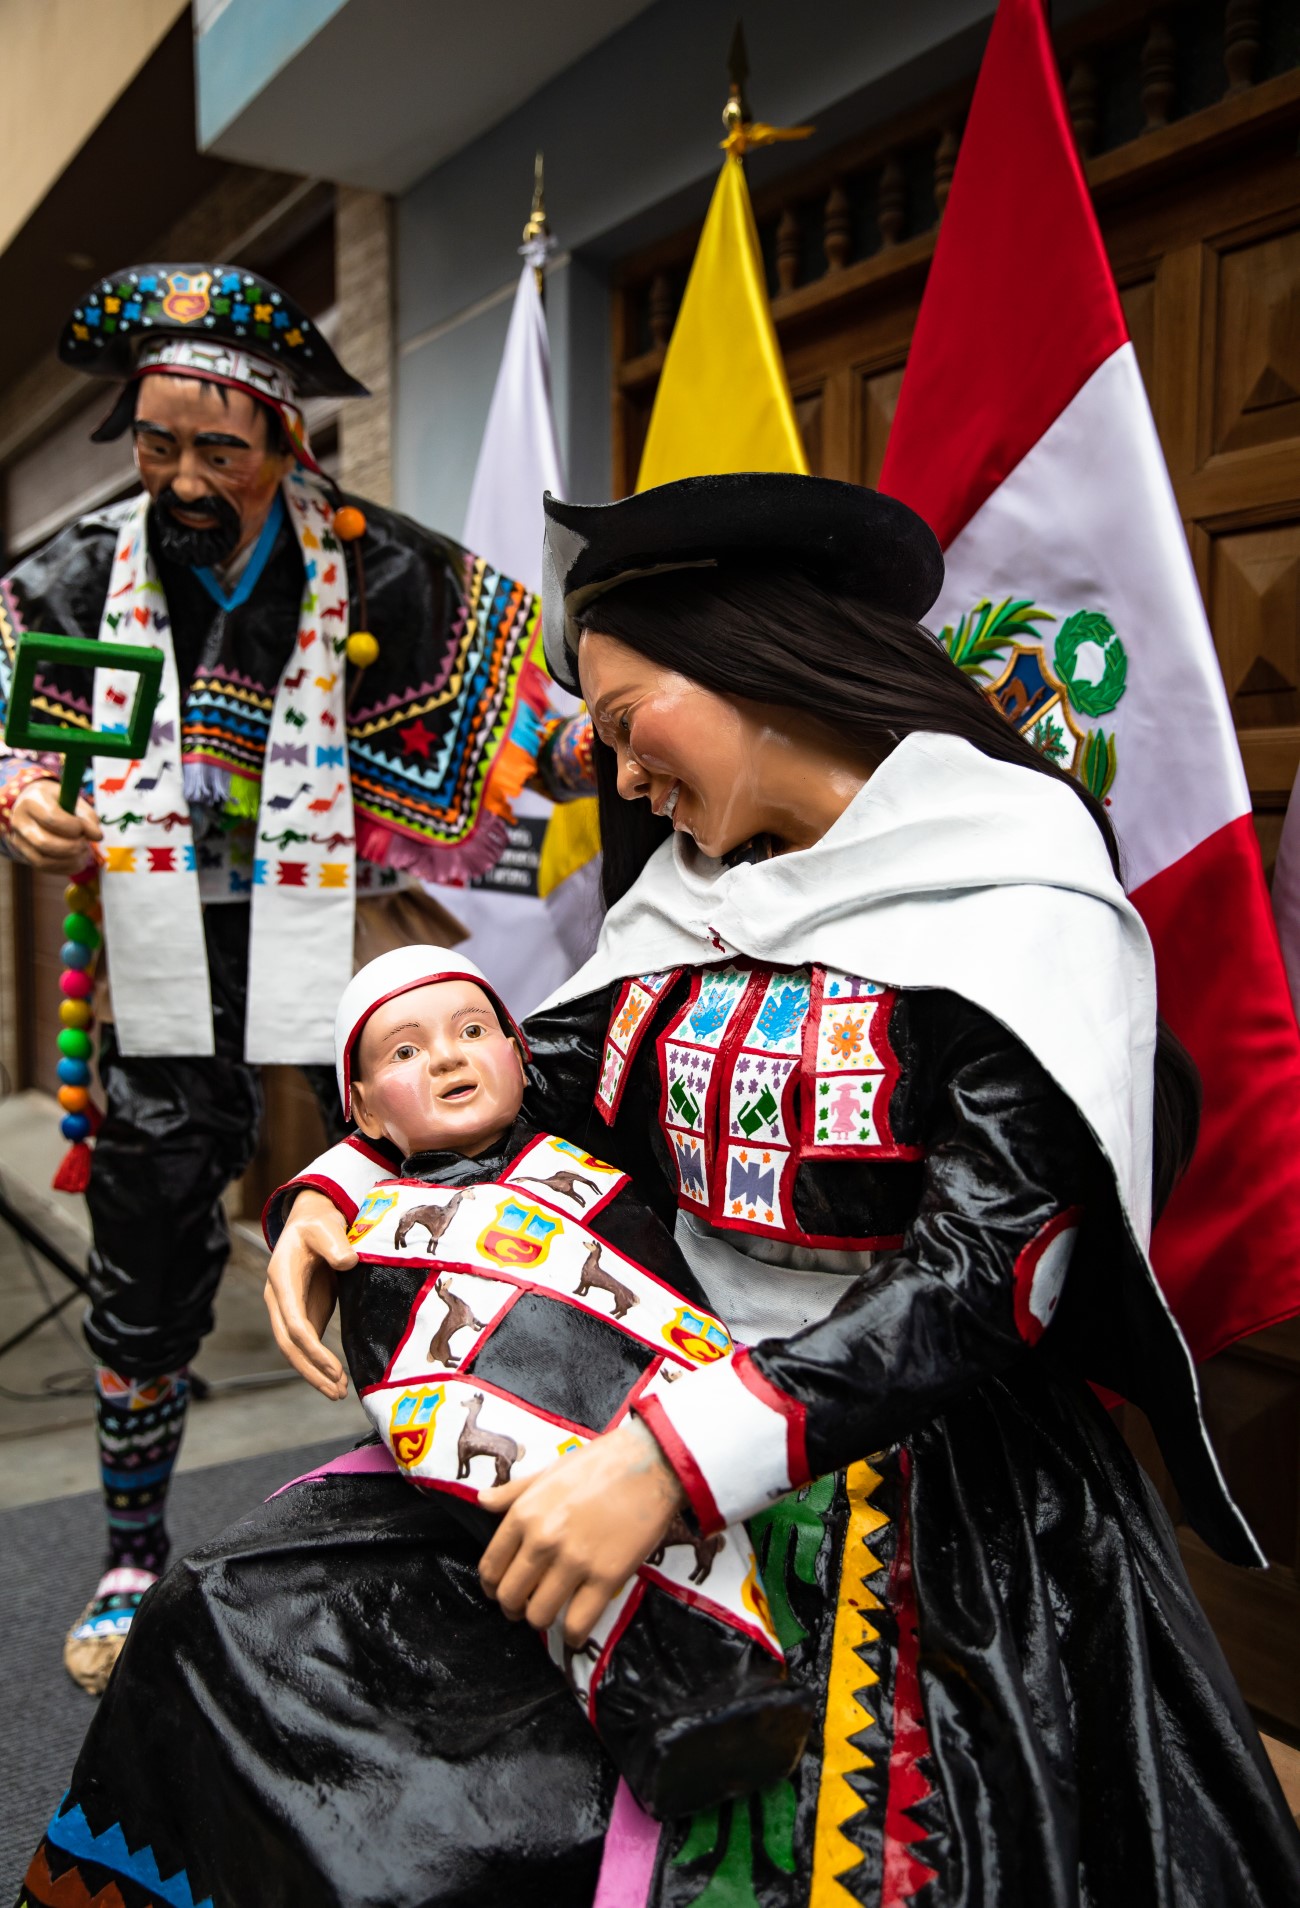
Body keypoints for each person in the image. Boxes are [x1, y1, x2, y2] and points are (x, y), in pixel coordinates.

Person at [20, 474, 1300, 1908]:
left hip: (921, 1482)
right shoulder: (697, 900)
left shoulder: (1019, 912)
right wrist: (338, 1182)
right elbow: (527, 1075)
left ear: (756, 666)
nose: (621, 782)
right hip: (621, 1390)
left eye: (627, 726)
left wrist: (664, 1466)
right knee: (234, 1631)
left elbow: (975, 1284)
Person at [0, 261, 549, 1692]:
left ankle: (445, 1502)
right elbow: (13, 744)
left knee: (429, 1181)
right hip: (159, 935)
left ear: (285, 442)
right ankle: (129, 1550)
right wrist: (23, 804)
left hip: (344, 921)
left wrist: (599, 747)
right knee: (154, 1220)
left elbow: (516, 708)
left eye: (216, 447)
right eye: (156, 442)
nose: (181, 475)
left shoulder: (378, 564)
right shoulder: (72, 571)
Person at [329, 942, 812, 1817]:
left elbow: (670, 1292)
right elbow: (402, 1374)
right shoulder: (377, 1232)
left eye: (473, 1030)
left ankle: (735, 1683)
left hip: (658, 1426)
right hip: (513, 1457)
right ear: (361, 1108)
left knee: (701, 1562)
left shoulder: (590, 1172)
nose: (445, 1056)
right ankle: (661, 1714)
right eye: (404, 1051)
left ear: (520, 1052)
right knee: (585, 1588)